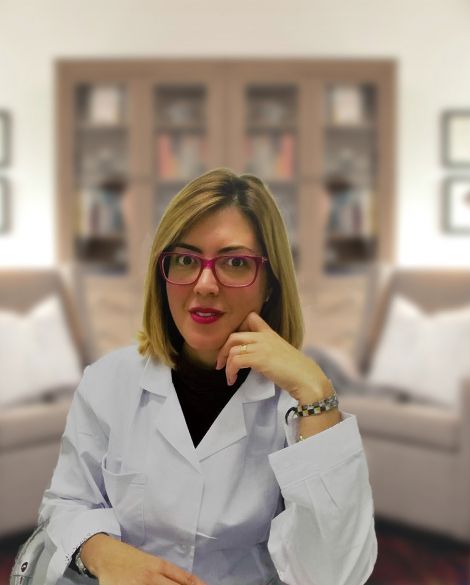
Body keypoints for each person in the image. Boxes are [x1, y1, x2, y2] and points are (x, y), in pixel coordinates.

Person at [38, 168, 377, 585]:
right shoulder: (108, 382)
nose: (204, 284)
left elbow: (334, 574)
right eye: (185, 260)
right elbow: (68, 502)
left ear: (270, 283)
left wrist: (317, 392)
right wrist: (104, 554)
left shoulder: (300, 404)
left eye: (235, 263)